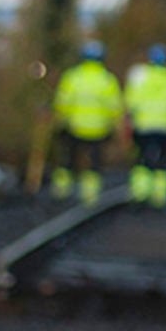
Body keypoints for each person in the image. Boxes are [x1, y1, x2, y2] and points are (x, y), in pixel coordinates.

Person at [50, 39, 124, 206]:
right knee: (94, 162)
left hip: (74, 127)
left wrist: (59, 122)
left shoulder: (73, 77)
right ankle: (90, 195)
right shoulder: (108, 80)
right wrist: (115, 127)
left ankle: (61, 191)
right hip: (98, 130)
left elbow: (62, 103)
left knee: (68, 159)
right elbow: (115, 107)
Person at [123, 42, 166, 208]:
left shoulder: (140, 78)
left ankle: (140, 193)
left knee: (142, 160)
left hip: (143, 126)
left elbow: (129, 103)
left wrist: (129, 122)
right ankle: (159, 197)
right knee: (163, 162)